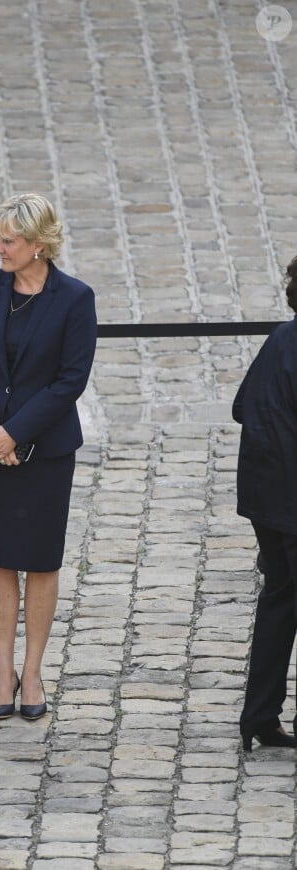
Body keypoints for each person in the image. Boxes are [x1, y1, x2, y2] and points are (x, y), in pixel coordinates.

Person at [0, 193, 97, 720]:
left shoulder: (75, 298)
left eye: (8, 240)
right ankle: (2, 672)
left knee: (39, 559)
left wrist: (16, 432)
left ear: (39, 245)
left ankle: (33, 672)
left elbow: (69, 381)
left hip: (47, 452)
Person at [233, 255, 297, 751]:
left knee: (280, 600)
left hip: (265, 499)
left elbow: (241, 405)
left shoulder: (281, 339)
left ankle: (260, 715)